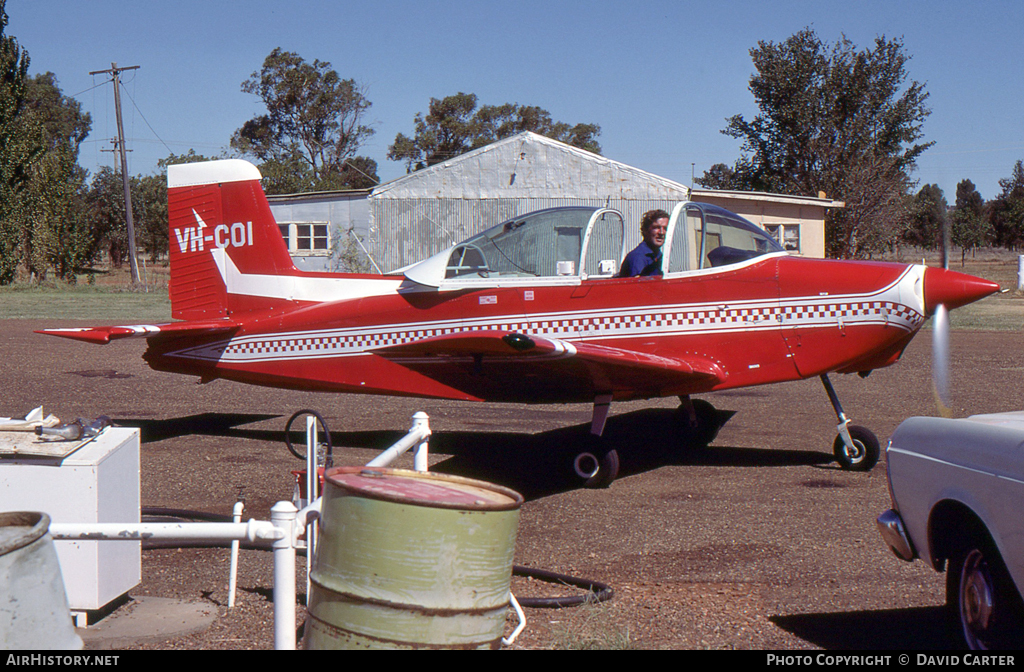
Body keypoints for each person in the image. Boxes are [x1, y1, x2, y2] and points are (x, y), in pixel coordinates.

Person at [618, 209, 669, 277]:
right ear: (645, 230)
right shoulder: (637, 258)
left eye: (665, 228)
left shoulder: (658, 256)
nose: (661, 232)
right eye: (656, 227)